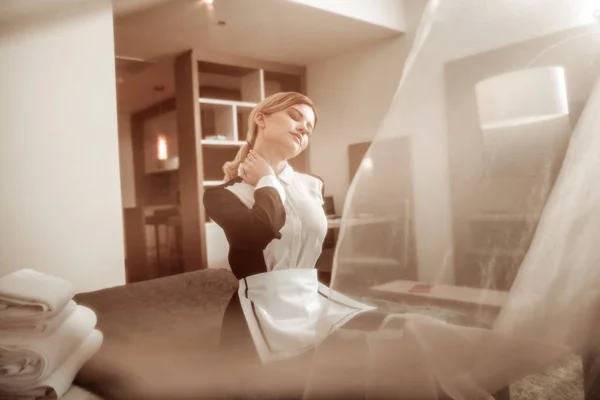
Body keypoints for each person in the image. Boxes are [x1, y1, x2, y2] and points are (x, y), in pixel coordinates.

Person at [203, 92, 375, 368]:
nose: (303, 129)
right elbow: (260, 233)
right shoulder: (222, 195)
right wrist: (268, 181)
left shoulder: (313, 185)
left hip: (310, 297)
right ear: (261, 119)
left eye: (308, 128)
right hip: (260, 309)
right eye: (295, 117)